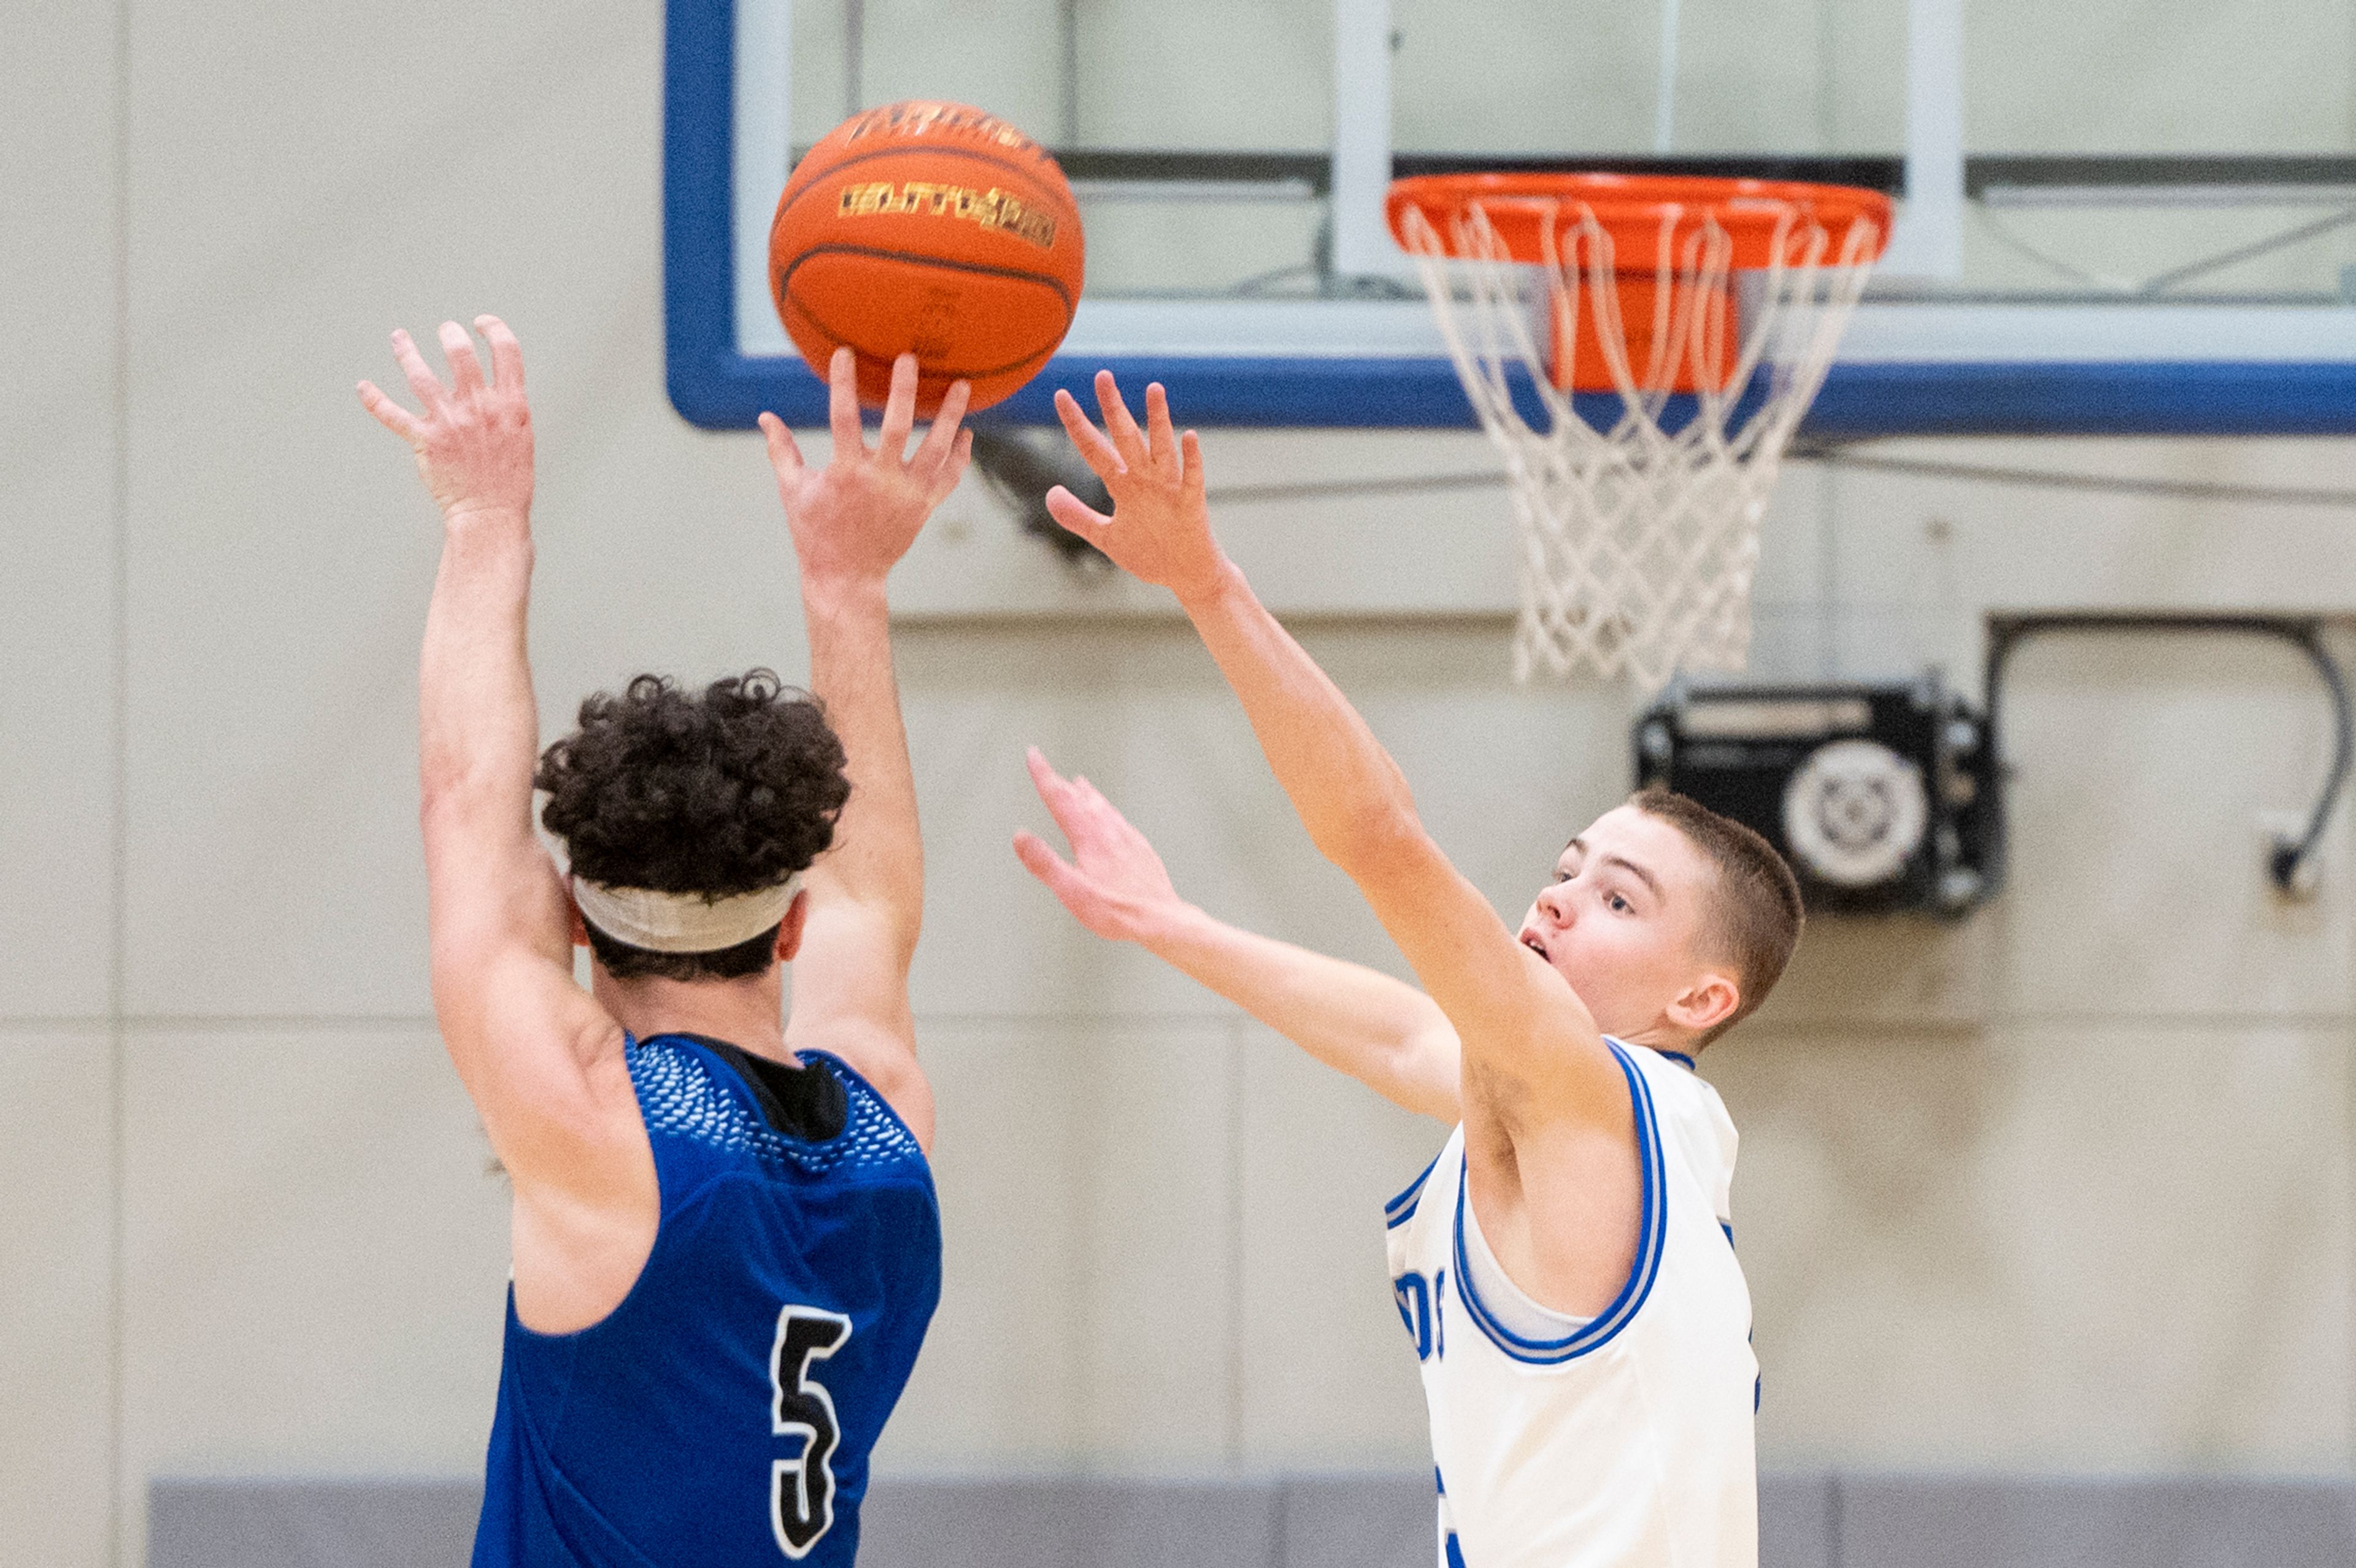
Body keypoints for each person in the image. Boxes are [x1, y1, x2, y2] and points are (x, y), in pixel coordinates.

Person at [1011, 373, 1804, 1568]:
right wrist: (1167, 922)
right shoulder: (1605, 1117)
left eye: (1619, 898)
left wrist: (1209, 589)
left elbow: (1380, 838)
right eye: (1571, 866)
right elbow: (1401, 1038)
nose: (1557, 896)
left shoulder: (1596, 1097)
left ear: (1701, 998)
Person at [359, 320, 971, 1567]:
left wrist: (486, 523)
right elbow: (873, 905)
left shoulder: (597, 1125)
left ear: (581, 921)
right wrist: (847, 587)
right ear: (787, 923)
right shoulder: (885, 1127)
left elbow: (466, 800)